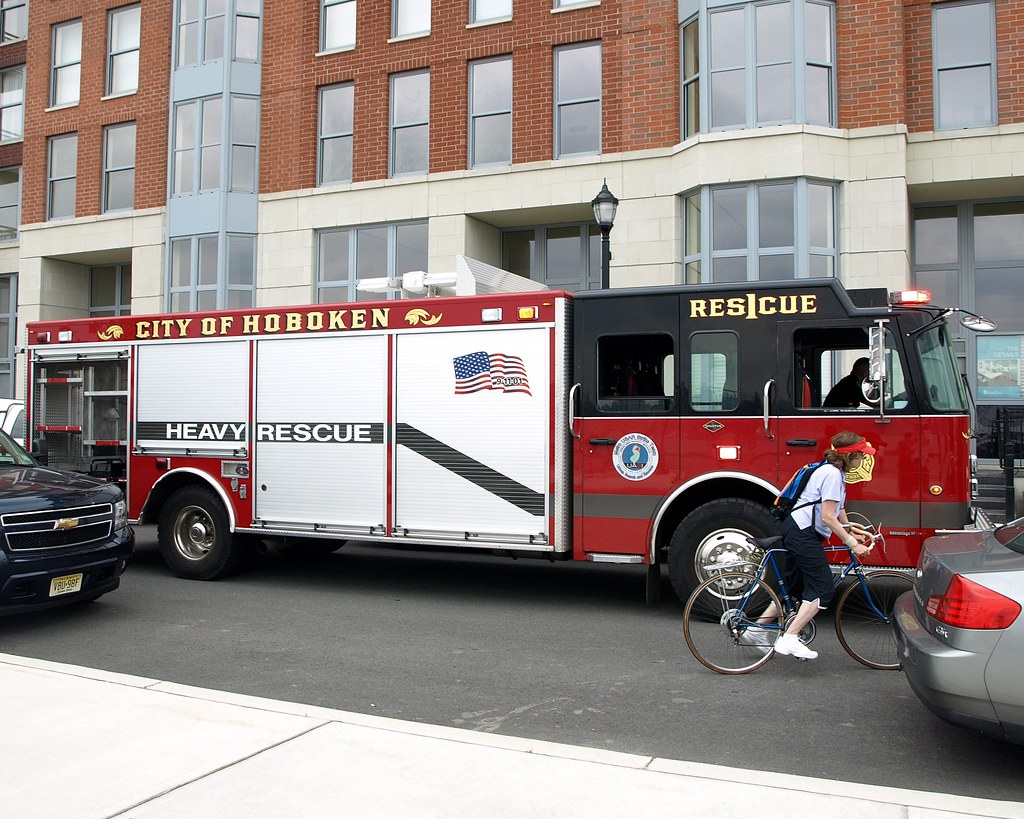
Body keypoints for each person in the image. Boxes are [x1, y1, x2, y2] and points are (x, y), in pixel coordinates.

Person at [745, 431, 876, 660]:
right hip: (803, 533)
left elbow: (837, 509)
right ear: (850, 455)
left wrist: (850, 529)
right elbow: (827, 516)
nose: (862, 460)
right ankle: (789, 638)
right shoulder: (833, 474)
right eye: (860, 456)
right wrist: (852, 544)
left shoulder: (830, 470)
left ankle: (756, 629)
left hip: (796, 529)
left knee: (795, 587)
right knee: (822, 589)